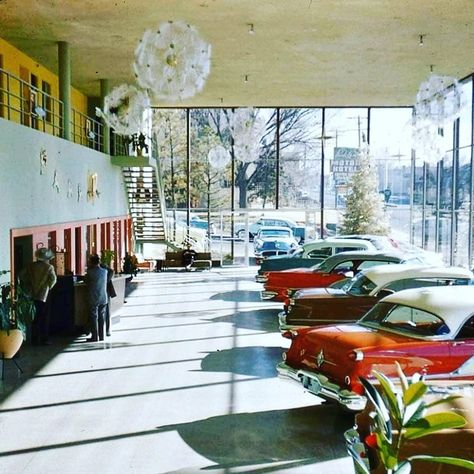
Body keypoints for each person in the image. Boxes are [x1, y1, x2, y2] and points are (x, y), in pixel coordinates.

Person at [20, 247, 57, 345]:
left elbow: (22, 276)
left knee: (35, 317)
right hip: (44, 294)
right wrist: (48, 287)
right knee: (45, 316)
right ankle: (44, 339)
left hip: (32, 293)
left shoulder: (30, 266)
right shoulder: (49, 267)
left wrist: (28, 285)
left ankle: (34, 339)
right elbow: (53, 280)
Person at [84, 254, 108, 342]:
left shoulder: (90, 272)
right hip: (103, 296)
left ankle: (94, 336)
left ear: (91, 262)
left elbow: (85, 281)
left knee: (94, 317)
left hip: (93, 297)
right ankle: (101, 336)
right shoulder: (105, 271)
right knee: (101, 316)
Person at [100, 260, 116, 337]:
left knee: (106, 312)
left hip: (105, 292)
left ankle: (106, 330)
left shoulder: (102, 268)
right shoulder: (103, 270)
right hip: (105, 292)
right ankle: (106, 330)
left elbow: (111, 271)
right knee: (106, 311)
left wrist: (106, 280)